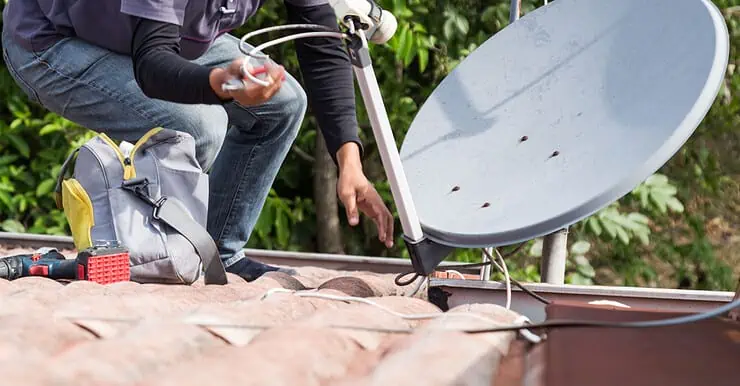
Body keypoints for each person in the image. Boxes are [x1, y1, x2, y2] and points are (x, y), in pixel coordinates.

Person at [1, 0, 395, 281]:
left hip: (146, 41)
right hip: (53, 43)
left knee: (284, 102)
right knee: (199, 127)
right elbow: (153, 65)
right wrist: (220, 85)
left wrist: (349, 161)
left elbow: (322, 45)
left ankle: (220, 253)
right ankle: (150, 252)